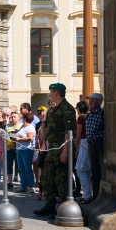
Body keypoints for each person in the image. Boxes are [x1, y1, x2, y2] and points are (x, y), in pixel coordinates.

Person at [35, 84, 77, 218]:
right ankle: (49, 206)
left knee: (61, 180)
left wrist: (65, 151)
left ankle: (64, 208)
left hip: (61, 148)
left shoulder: (67, 109)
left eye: (51, 92)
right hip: (52, 149)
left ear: (56, 93)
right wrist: (44, 123)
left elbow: (69, 132)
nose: (49, 94)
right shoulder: (54, 110)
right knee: (47, 178)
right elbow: (45, 134)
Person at [85, 92, 105, 201]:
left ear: (99, 102)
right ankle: (95, 196)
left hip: (99, 144)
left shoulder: (101, 114)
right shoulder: (89, 114)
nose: (90, 103)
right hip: (91, 144)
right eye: (89, 101)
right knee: (95, 173)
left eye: (92, 101)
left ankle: (101, 196)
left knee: (101, 171)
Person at [14, 111, 37, 193]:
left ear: (25, 119)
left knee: (28, 169)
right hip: (20, 149)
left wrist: (19, 139)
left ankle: (31, 186)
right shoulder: (22, 127)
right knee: (21, 168)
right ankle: (23, 185)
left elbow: (30, 138)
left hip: (27, 149)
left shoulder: (30, 127)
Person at [74, 100, 92, 203]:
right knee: (88, 170)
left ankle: (86, 194)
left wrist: (76, 146)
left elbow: (79, 133)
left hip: (83, 143)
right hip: (88, 143)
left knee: (80, 170)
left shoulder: (81, 118)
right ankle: (87, 193)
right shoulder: (89, 116)